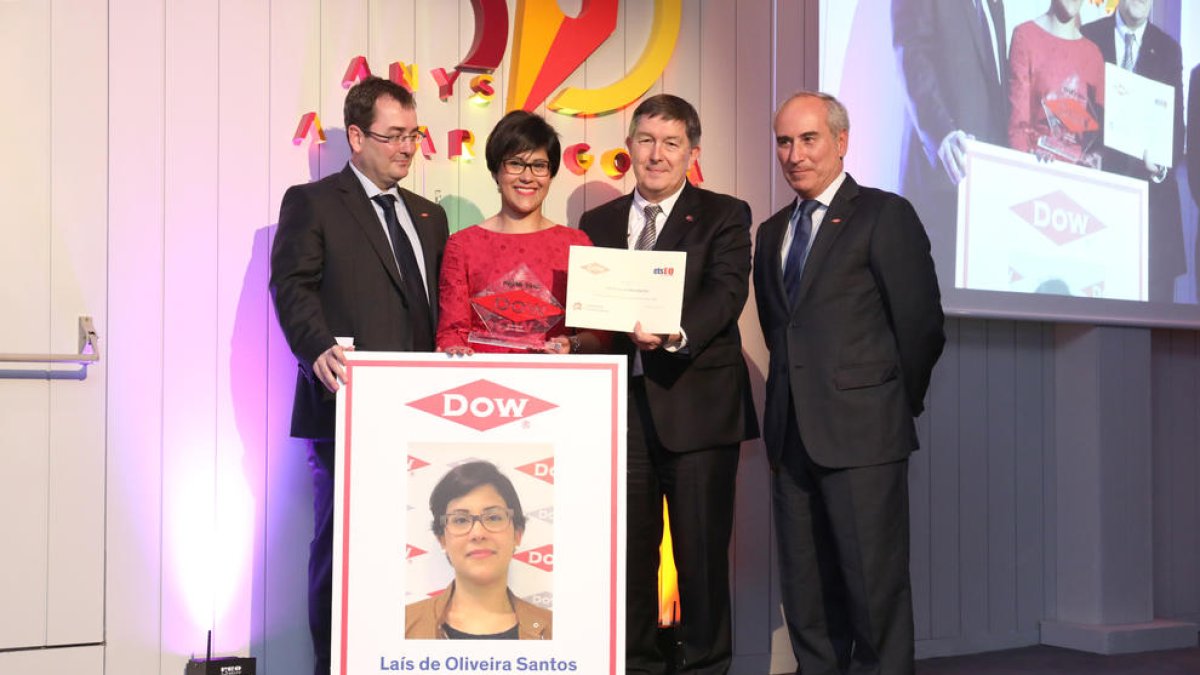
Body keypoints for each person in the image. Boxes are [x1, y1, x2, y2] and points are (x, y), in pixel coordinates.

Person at [754, 92, 945, 674]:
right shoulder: (770, 233)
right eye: (784, 141)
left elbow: (921, 327)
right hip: (792, 441)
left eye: (808, 139)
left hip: (865, 438)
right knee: (808, 603)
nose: (794, 154)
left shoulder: (884, 215)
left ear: (840, 141)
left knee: (874, 597)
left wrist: (888, 405)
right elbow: (780, 332)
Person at [270, 76, 449, 674]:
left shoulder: (430, 215)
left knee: (419, 552)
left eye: (413, 134)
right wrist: (316, 348)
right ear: (355, 135)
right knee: (343, 549)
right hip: (345, 405)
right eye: (393, 135)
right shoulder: (313, 201)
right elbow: (291, 286)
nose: (406, 147)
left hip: (422, 414)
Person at [579, 94, 758, 675]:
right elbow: (592, 313)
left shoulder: (725, 214)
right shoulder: (596, 223)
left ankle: (706, 666)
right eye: (646, 140)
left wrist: (676, 335)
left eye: (671, 143)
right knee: (627, 555)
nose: (657, 155)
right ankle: (636, 664)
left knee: (700, 557)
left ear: (692, 153)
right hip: (620, 413)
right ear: (629, 146)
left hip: (698, 408)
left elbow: (728, 294)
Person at [436, 110, 600, 355]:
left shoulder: (576, 244)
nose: (527, 176)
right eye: (515, 163)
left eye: (539, 166)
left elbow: (598, 335)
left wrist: (572, 345)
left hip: (557, 387)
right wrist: (453, 349)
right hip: (484, 388)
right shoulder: (463, 245)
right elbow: (452, 331)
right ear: (495, 172)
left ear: (551, 174)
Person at [892, 0, 1010, 270]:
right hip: (939, 177)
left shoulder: (995, 4)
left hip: (983, 185)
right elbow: (911, 53)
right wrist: (941, 133)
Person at [1082, 0, 1188, 302]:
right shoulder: (1087, 37)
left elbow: (1174, 132)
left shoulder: (1169, 49)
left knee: (1151, 331)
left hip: (1152, 214)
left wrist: (1162, 166)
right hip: (1096, 209)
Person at [406, 461, 551, 640]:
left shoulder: (553, 629)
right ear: (442, 539)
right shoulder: (404, 625)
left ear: (517, 534)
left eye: (493, 517)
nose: (478, 533)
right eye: (460, 520)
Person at [1007, 0, 1105, 167]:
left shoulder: (1093, 55)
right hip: (1036, 172)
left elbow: (1099, 138)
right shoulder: (1025, 37)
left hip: (1079, 181)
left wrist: (1096, 157)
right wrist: (1029, 158)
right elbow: (1017, 129)